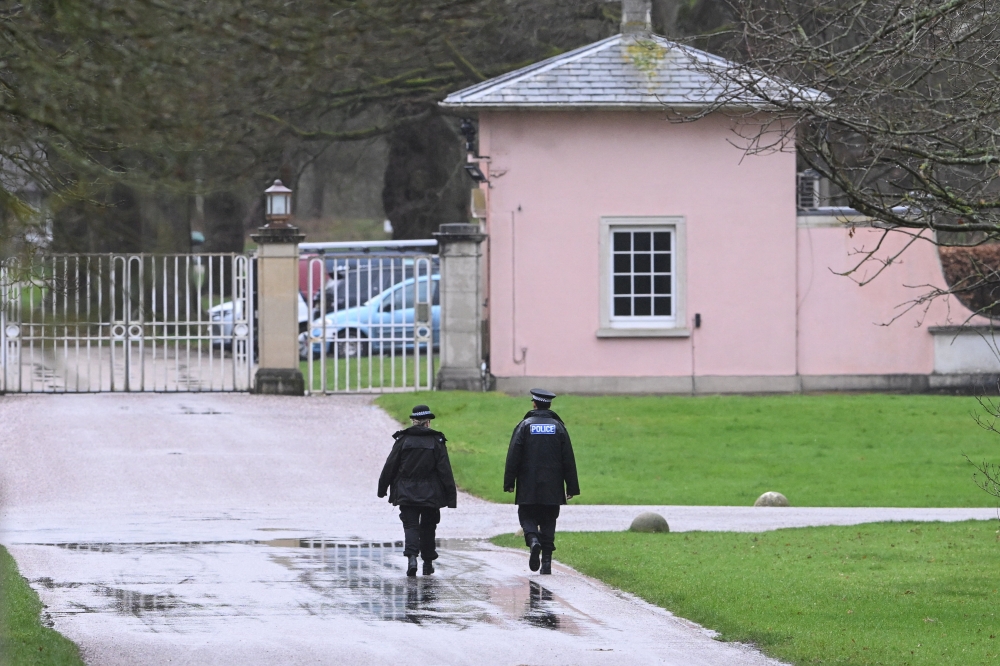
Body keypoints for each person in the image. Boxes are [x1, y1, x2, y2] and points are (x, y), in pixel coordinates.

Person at [504, 389, 580, 575]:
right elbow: (568, 459)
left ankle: (533, 541)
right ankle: (546, 562)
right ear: (549, 405)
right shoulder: (559, 427)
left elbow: (513, 455)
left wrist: (509, 482)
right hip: (553, 486)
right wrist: (571, 487)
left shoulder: (524, 426)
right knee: (549, 520)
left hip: (528, 484)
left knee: (526, 515)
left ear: (534, 404)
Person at [378, 404, 457, 577]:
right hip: (431, 493)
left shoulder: (403, 440)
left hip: (406, 492)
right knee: (428, 527)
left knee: (411, 526)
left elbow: (390, 466)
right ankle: (427, 563)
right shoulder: (437, 441)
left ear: (414, 421)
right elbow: (445, 471)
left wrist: (382, 488)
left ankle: (412, 558)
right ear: (427, 422)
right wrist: (451, 497)